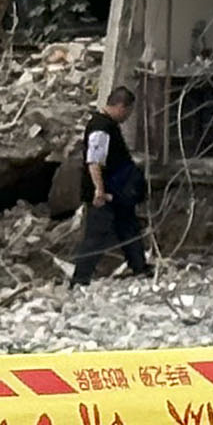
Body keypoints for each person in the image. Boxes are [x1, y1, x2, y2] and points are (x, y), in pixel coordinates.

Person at [67, 87, 148, 283]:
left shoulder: (108, 125)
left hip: (117, 193)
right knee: (96, 236)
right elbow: (94, 161)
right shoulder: (101, 128)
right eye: (128, 111)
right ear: (121, 107)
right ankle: (80, 279)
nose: (128, 116)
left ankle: (140, 267)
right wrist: (99, 190)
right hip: (104, 194)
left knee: (128, 227)